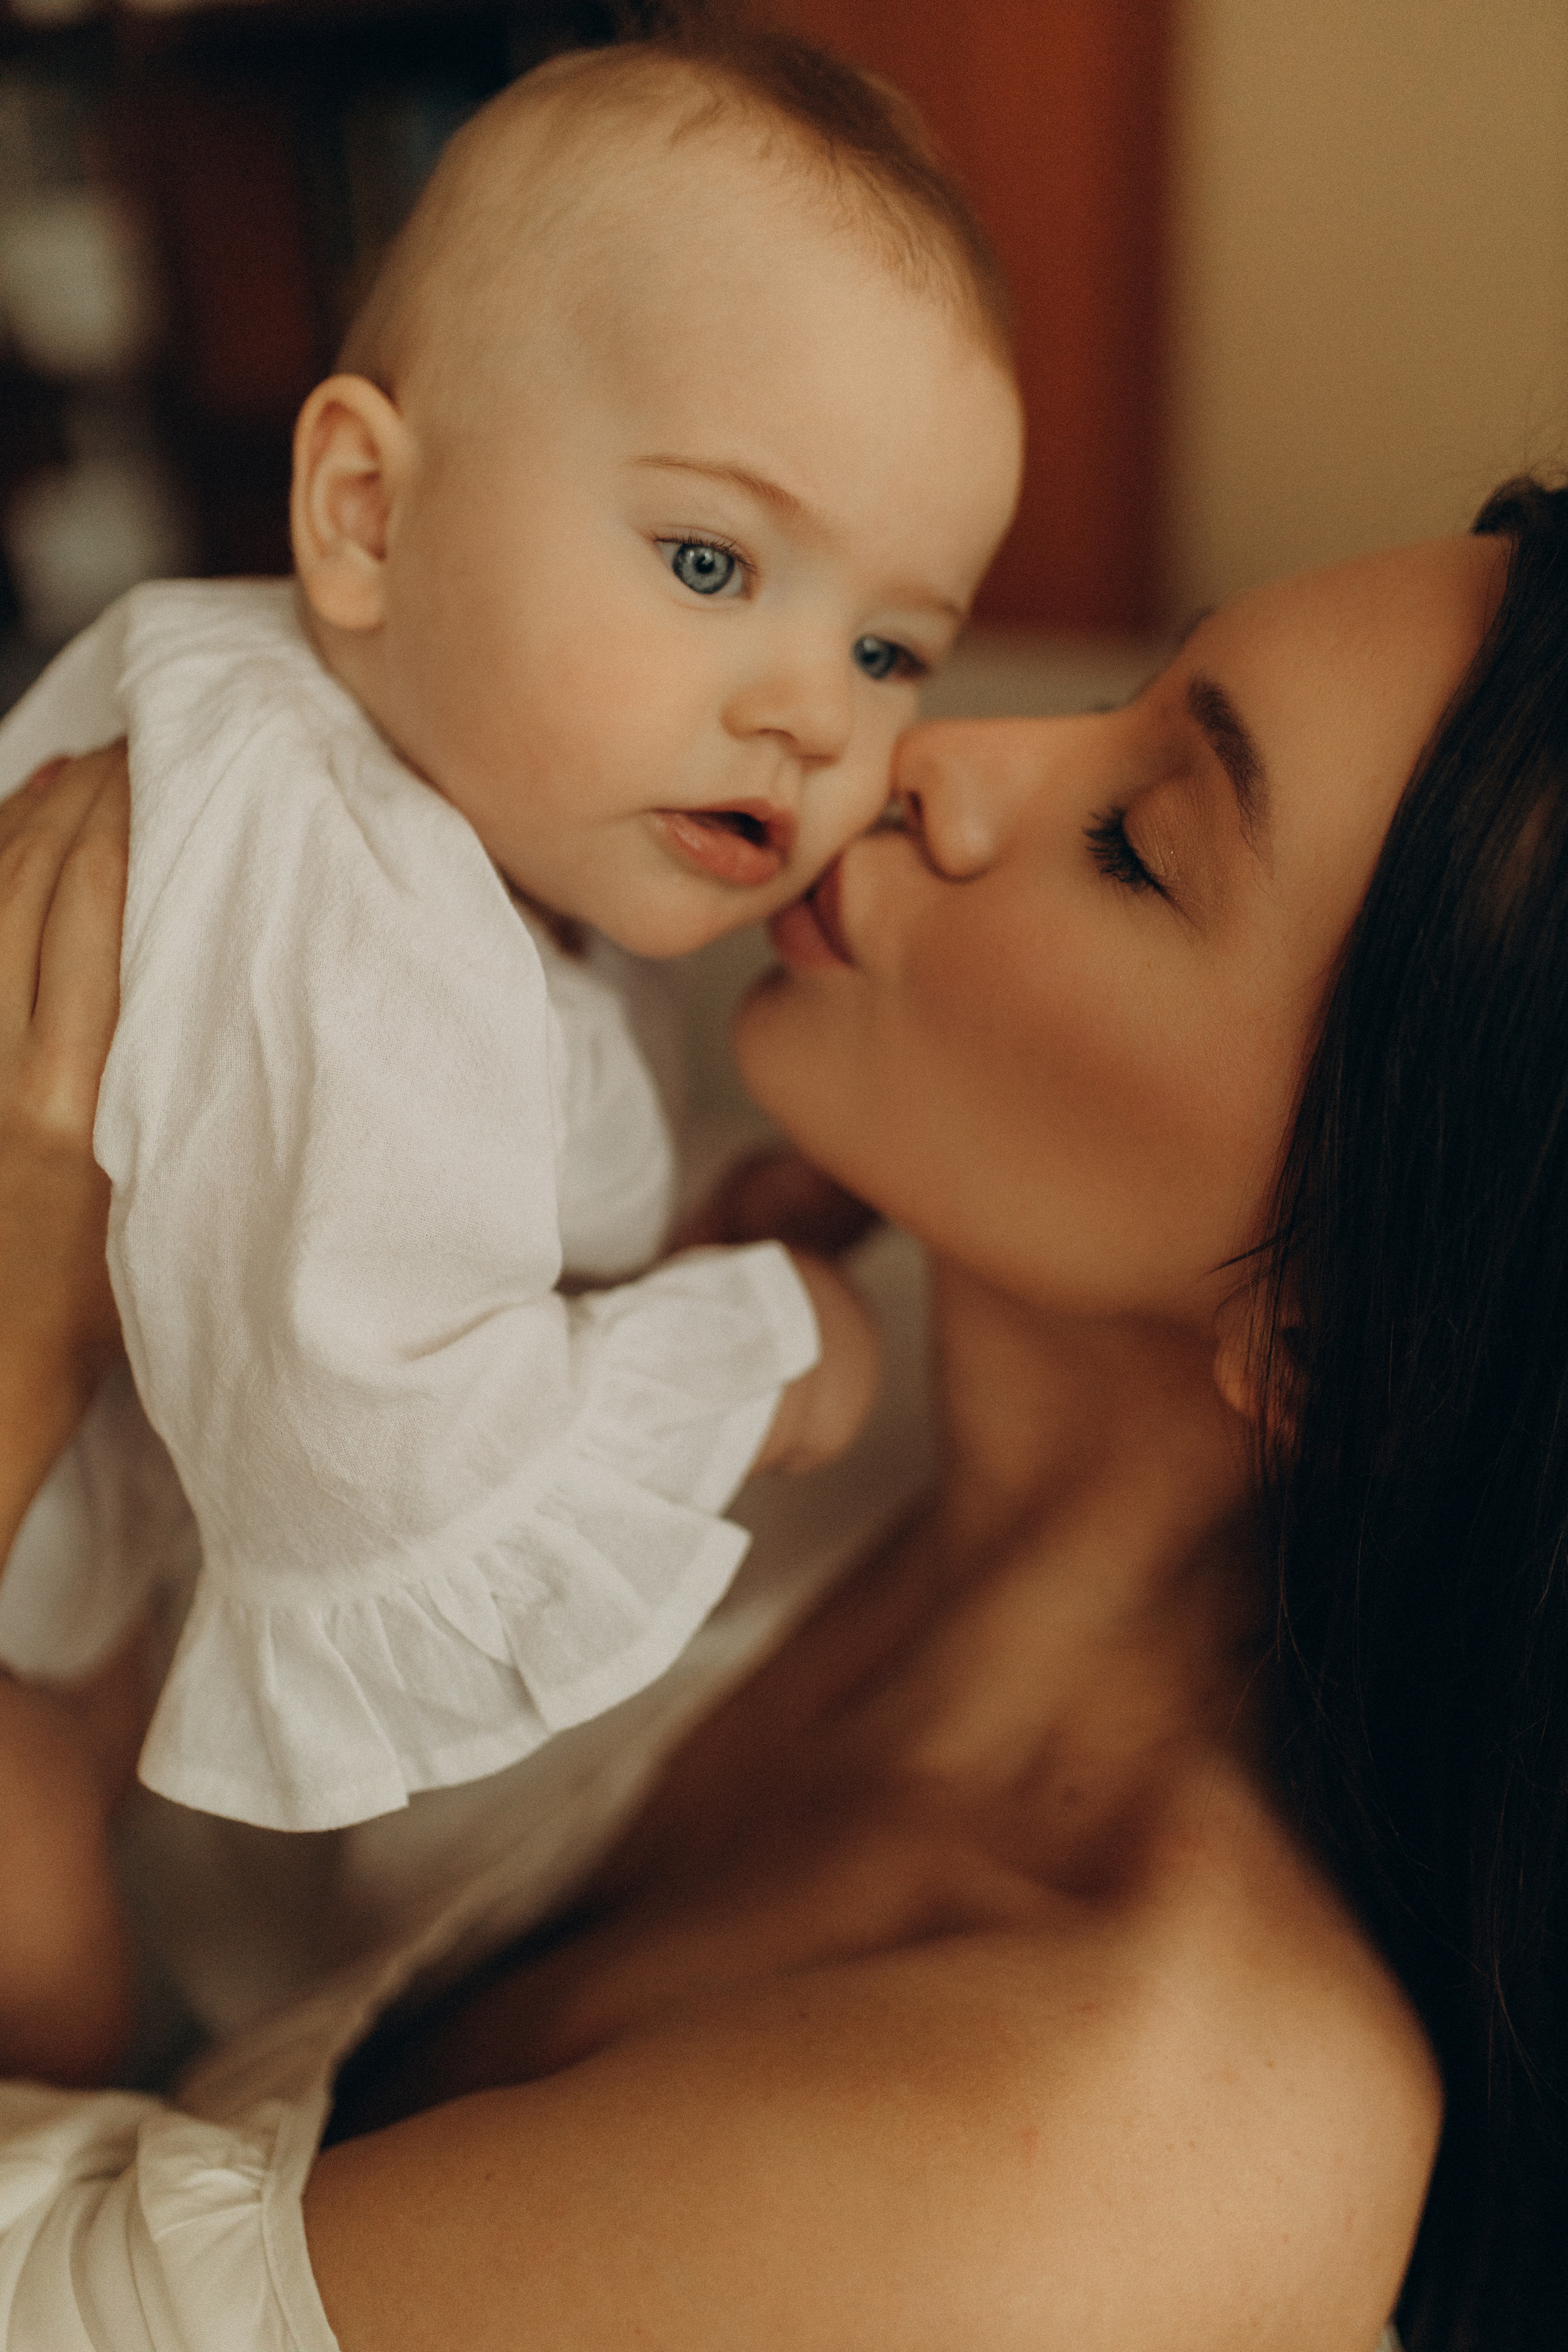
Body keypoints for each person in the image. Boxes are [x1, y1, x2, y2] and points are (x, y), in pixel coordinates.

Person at [2, 486, 1564, 2349]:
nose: (954, 764)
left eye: (1139, 844)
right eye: (1134, 686)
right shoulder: (792, 1319)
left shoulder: (1111, 2154)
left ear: (1356, 1333)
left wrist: (23, 1315)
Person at [0, 19, 1022, 1908]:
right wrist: (765, 1351)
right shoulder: (341, 878)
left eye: (894, 651)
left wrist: (678, 1230)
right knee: (47, 1913)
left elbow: (415, 1213)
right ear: (368, 517)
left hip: (59, 1553)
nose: (813, 714)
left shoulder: (496, 818)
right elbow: (386, 1481)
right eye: (712, 564)